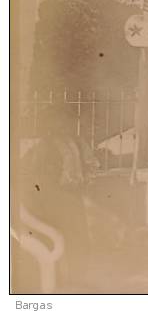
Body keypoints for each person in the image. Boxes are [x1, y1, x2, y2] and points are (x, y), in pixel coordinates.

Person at [19, 103, 99, 288]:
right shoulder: (43, 146)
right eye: (57, 121)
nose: (63, 125)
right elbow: (31, 174)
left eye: (65, 121)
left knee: (77, 239)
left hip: (68, 197)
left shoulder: (75, 143)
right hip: (52, 199)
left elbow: (90, 165)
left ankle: (75, 279)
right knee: (61, 239)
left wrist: (83, 181)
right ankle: (61, 280)